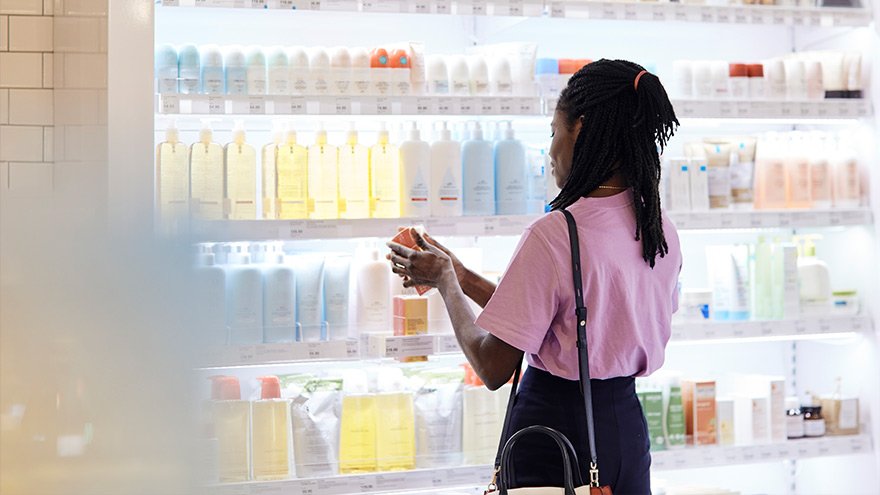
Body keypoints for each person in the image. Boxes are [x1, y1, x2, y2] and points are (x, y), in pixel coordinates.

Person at [387, 59, 682, 494]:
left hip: (554, 438)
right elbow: (570, 322)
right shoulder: (658, 229)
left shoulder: (556, 233)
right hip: (624, 435)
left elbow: (492, 366)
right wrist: (465, 276)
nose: (550, 151)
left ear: (579, 130)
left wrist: (447, 284)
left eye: (553, 131)